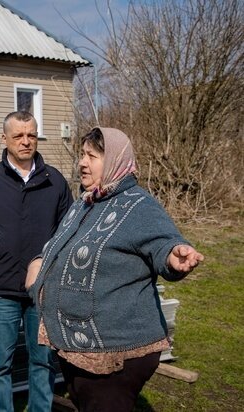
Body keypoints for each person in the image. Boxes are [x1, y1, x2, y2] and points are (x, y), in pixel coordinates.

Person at [26, 127, 204, 412]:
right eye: (82, 155)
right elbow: (62, 243)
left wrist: (174, 256)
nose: (82, 162)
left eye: (92, 156)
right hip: (80, 347)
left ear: (113, 162)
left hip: (115, 353)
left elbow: (162, 243)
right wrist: (40, 263)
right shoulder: (86, 202)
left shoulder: (137, 205)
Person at [0, 111, 74, 411]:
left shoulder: (56, 182)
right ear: (4, 139)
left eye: (32, 135)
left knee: (43, 361)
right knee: (0, 364)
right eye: (18, 136)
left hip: (43, 290)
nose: (26, 142)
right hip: (0, 291)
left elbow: (70, 236)